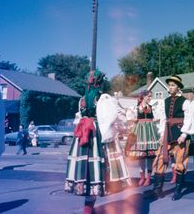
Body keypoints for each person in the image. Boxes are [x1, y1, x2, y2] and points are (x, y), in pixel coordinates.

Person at [64, 70, 131, 214]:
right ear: (100, 82)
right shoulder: (104, 98)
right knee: (96, 172)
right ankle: (88, 209)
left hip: (83, 134)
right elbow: (113, 116)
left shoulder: (82, 99)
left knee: (86, 173)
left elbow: (78, 117)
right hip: (95, 134)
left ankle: (87, 209)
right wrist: (114, 131)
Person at [151, 75, 194, 200]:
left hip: (180, 134)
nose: (170, 87)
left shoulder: (185, 102)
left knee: (179, 161)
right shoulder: (165, 101)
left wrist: (184, 134)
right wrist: (161, 134)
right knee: (160, 159)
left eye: (173, 85)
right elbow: (164, 119)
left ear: (178, 87)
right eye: (169, 85)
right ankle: (157, 190)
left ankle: (178, 189)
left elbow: (189, 119)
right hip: (167, 134)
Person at [126, 90, 161, 187]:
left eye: (150, 96)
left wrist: (156, 119)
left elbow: (155, 118)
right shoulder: (136, 107)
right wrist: (136, 120)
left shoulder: (151, 107)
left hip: (150, 132)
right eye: (149, 96)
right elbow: (129, 118)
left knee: (149, 155)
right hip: (140, 131)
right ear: (144, 96)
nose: (150, 98)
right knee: (141, 155)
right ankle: (142, 177)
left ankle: (148, 177)